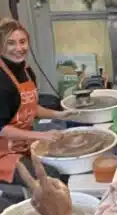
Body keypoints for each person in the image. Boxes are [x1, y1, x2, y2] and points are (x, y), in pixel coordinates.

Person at [0, 18, 69, 186]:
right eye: (11, 43)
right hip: (4, 154)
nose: (19, 48)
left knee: (64, 163)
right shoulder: (1, 80)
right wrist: (42, 135)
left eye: (22, 42)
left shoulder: (26, 71)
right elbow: (1, 128)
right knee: (51, 177)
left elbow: (29, 108)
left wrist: (60, 114)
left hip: (23, 144)